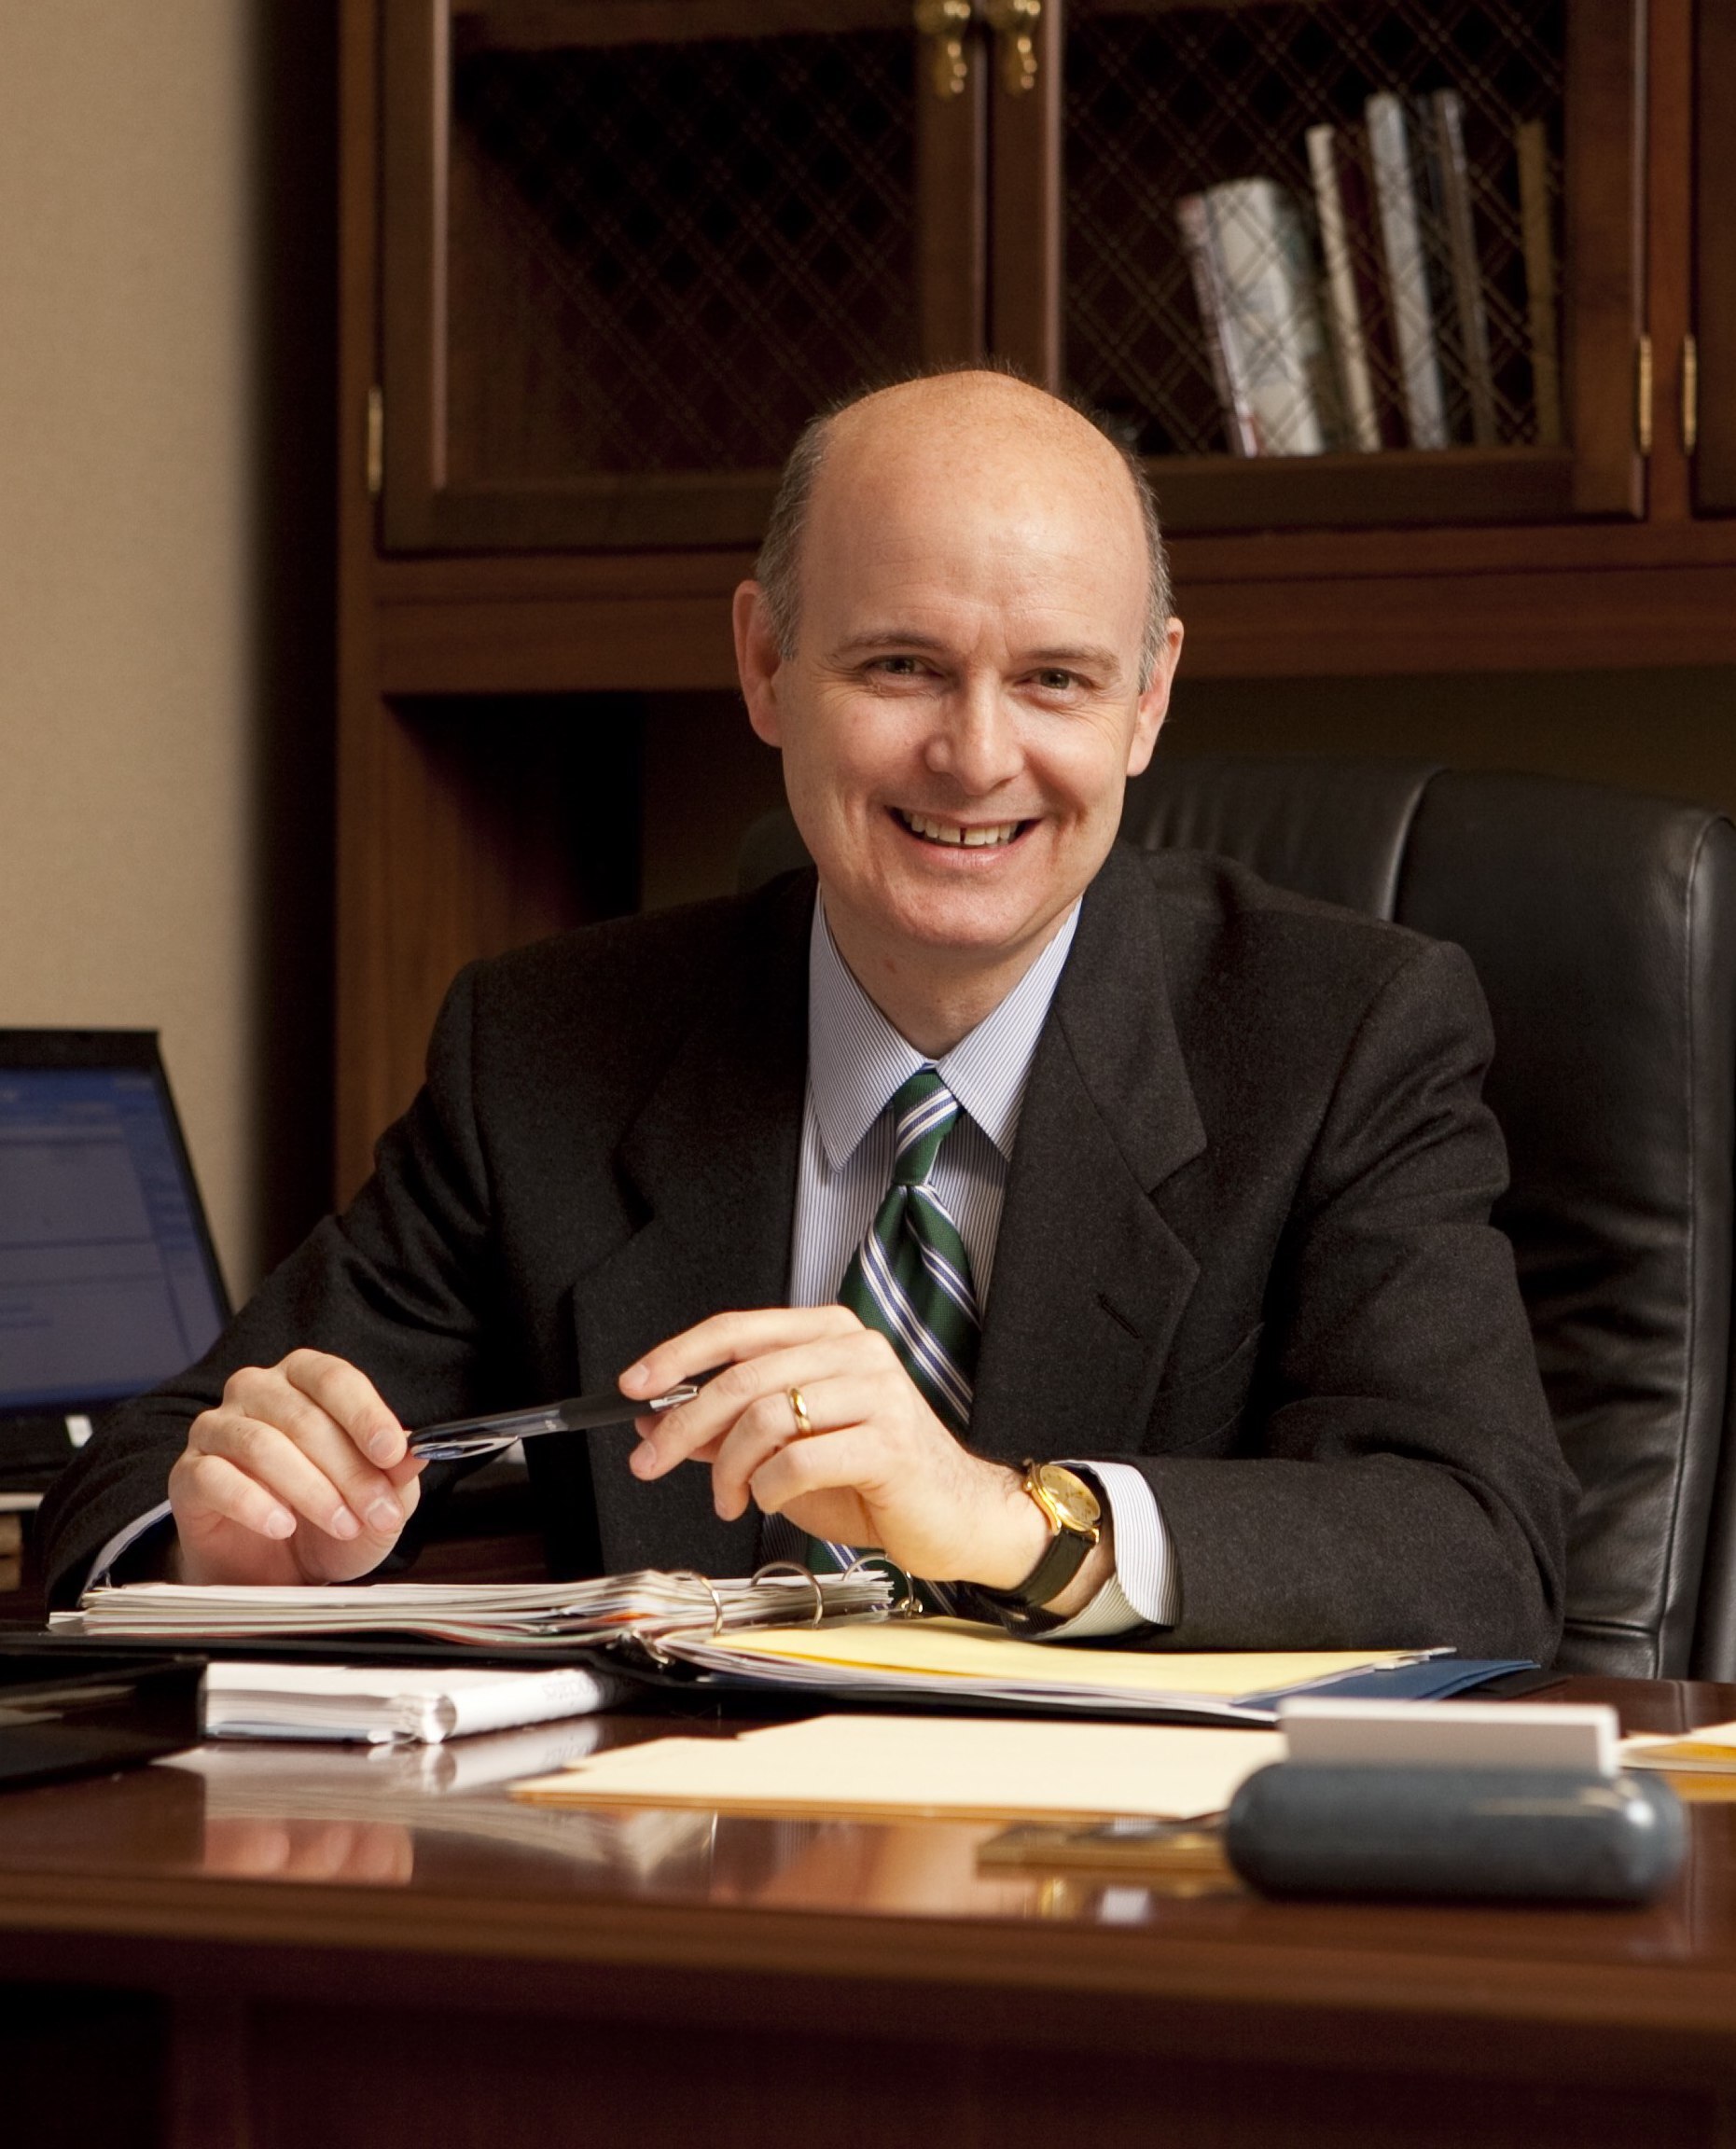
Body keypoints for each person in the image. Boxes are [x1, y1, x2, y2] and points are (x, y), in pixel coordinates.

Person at [41, 367, 1574, 1655]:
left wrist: (1003, 1517)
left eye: (1052, 679)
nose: (975, 758)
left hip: (1134, 1929)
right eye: (901, 665)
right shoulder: (549, 1048)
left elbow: (1477, 1546)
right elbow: (124, 1489)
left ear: (1148, 701)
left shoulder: (1341, 1034)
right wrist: (231, 1548)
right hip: (672, 1904)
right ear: (766, 665)